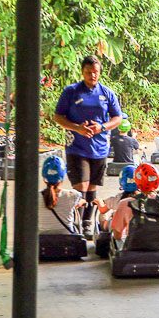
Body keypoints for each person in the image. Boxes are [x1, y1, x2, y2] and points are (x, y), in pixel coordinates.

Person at [53, 55, 123, 237]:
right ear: (82, 72)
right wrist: (77, 128)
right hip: (76, 146)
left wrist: (102, 127)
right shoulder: (71, 91)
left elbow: (118, 118)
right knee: (80, 186)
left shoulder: (107, 93)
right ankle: (77, 220)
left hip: (99, 147)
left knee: (92, 186)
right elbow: (58, 116)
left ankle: (87, 222)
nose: (92, 75)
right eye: (88, 72)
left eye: (95, 72)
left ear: (100, 72)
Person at [111, 163, 159, 247]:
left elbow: (117, 234)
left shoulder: (125, 203)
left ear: (136, 181)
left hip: (132, 251)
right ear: (158, 180)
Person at [38, 155, 85, 235]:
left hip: (42, 240)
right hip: (67, 239)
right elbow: (80, 202)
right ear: (63, 176)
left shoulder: (36, 196)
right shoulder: (72, 195)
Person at [96, 164, 138, 229]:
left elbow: (102, 210)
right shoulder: (143, 198)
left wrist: (99, 202)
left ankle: (103, 229)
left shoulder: (117, 199)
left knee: (103, 216)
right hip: (136, 227)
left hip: (117, 228)